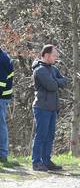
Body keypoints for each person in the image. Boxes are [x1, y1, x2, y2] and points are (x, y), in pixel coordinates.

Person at [31, 44, 68, 172]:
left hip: (52, 107)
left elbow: (64, 81)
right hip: (42, 107)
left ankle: (46, 161)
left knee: (50, 135)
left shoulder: (53, 69)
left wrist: (57, 81)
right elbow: (52, 86)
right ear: (46, 55)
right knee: (41, 135)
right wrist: (57, 82)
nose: (56, 58)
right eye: (54, 55)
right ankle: (36, 162)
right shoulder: (40, 70)